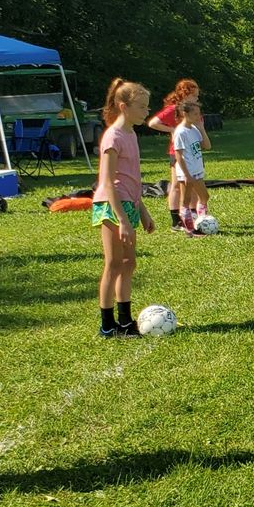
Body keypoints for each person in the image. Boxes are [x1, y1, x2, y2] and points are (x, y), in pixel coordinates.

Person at [92, 78, 155, 338]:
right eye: (141, 107)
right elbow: (108, 182)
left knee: (129, 263)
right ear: (123, 106)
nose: (146, 112)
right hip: (110, 205)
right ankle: (107, 325)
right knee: (114, 263)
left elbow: (132, 179)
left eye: (147, 107)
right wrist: (123, 220)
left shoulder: (131, 134)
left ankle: (126, 321)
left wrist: (142, 211)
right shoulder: (113, 136)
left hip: (129, 204)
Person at [148, 78, 200, 231]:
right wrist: (172, 129)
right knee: (177, 185)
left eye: (197, 96)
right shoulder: (174, 109)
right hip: (178, 152)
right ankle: (176, 220)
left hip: (194, 152)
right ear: (185, 95)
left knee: (194, 183)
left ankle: (193, 215)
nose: (197, 99)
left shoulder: (195, 110)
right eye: (194, 95)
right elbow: (153, 123)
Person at [173, 101, 212, 236]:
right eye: (195, 114)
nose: (198, 116)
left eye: (199, 113)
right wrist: (186, 174)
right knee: (186, 200)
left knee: (204, 196)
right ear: (185, 114)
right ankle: (189, 229)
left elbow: (207, 146)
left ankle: (201, 223)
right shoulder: (180, 132)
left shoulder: (194, 129)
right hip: (187, 172)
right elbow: (178, 155)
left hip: (197, 170)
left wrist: (201, 128)